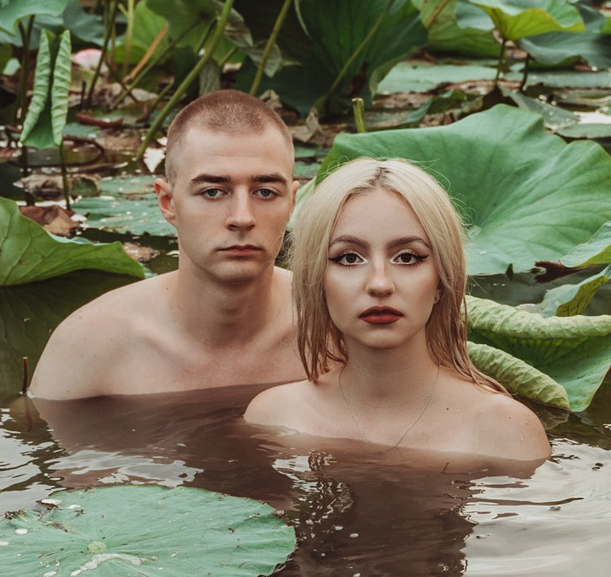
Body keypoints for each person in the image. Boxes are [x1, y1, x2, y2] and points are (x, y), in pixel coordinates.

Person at [245, 157, 548, 465]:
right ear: (316, 280)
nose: (379, 284)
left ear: (442, 281)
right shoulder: (274, 418)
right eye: (349, 258)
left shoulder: (505, 432)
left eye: (407, 257)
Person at [28, 92, 305, 400]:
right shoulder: (90, 345)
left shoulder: (332, 329)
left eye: (265, 192)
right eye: (213, 192)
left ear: (292, 202)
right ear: (167, 202)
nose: (242, 217)